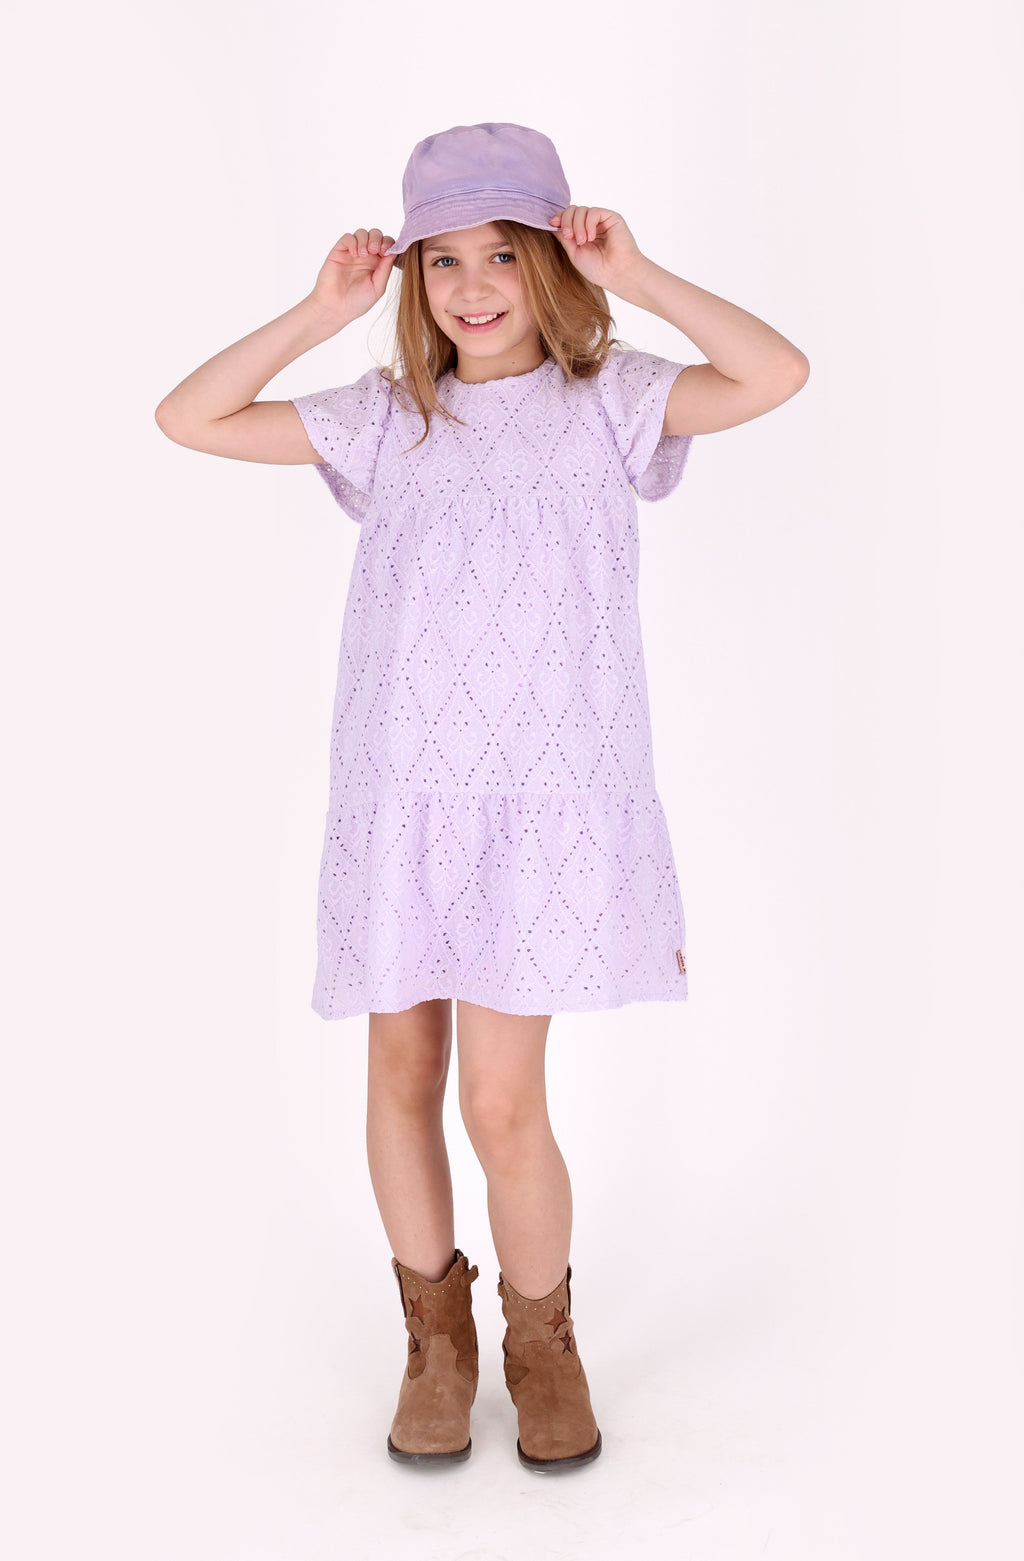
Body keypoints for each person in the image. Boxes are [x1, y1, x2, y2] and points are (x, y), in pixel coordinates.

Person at [154, 121, 809, 1474]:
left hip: (543, 811)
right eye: (440, 259)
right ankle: (435, 1344)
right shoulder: (389, 417)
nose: (470, 286)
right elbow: (188, 417)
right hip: (403, 801)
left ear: (551, 260)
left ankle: (542, 1341)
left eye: (501, 254)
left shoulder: (610, 400)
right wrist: (321, 311)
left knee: (504, 1105)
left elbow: (776, 372)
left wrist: (641, 273)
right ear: (411, 277)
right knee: (401, 1072)